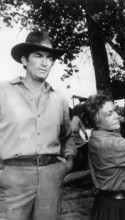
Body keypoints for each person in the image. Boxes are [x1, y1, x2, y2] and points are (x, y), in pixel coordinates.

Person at [0, 30, 76, 220]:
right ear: (25, 60)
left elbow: (67, 137)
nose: (44, 63)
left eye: (49, 58)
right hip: (13, 177)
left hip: (51, 177)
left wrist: (68, 162)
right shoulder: (3, 92)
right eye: (38, 56)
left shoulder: (59, 99)